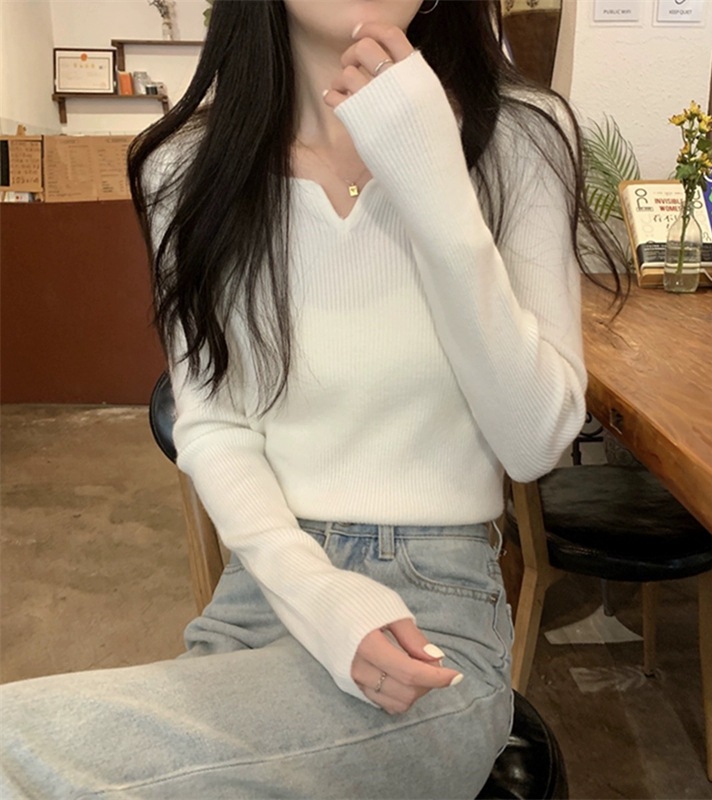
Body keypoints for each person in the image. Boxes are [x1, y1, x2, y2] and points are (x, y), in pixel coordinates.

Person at [0, 1, 625, 797]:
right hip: (262, 600)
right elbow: (215, 426)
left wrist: (433, 181)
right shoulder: (188, 170)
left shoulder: (520, 138)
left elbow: (535, 439)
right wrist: (319, 594)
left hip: (432, 630)